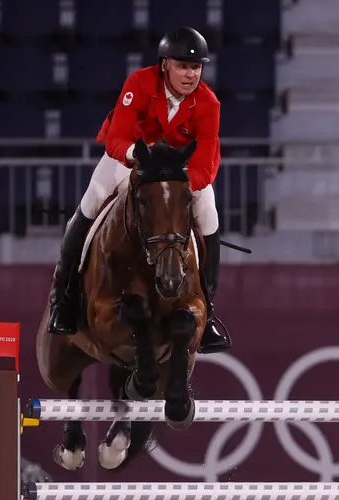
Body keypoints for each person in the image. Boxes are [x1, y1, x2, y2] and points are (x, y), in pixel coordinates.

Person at [45, 26, 231, 354]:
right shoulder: (139, 84)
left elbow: (207, 161)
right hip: (132, 156)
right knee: (91, 203)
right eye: (183, 66)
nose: (191, 74)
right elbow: (117, 137)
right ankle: (62, 298)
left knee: (209, 215)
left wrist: (181, 183)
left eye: (196, 67)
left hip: (181, 172)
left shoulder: (209, 103)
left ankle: (210, 310)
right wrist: (136, 156)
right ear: (165, 65)